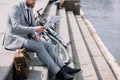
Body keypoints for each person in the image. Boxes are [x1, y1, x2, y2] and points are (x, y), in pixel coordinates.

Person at [2, 0, 81, 80]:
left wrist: (35, 34)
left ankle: (63, 67)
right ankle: (58, 73)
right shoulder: (15, 7)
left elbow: (32, 25)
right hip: (15, 38)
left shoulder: (30, 7)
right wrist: (34, 30)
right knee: (39, 47)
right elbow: (16, 26)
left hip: (25, 36)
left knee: (47, 45)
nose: (34, 2)